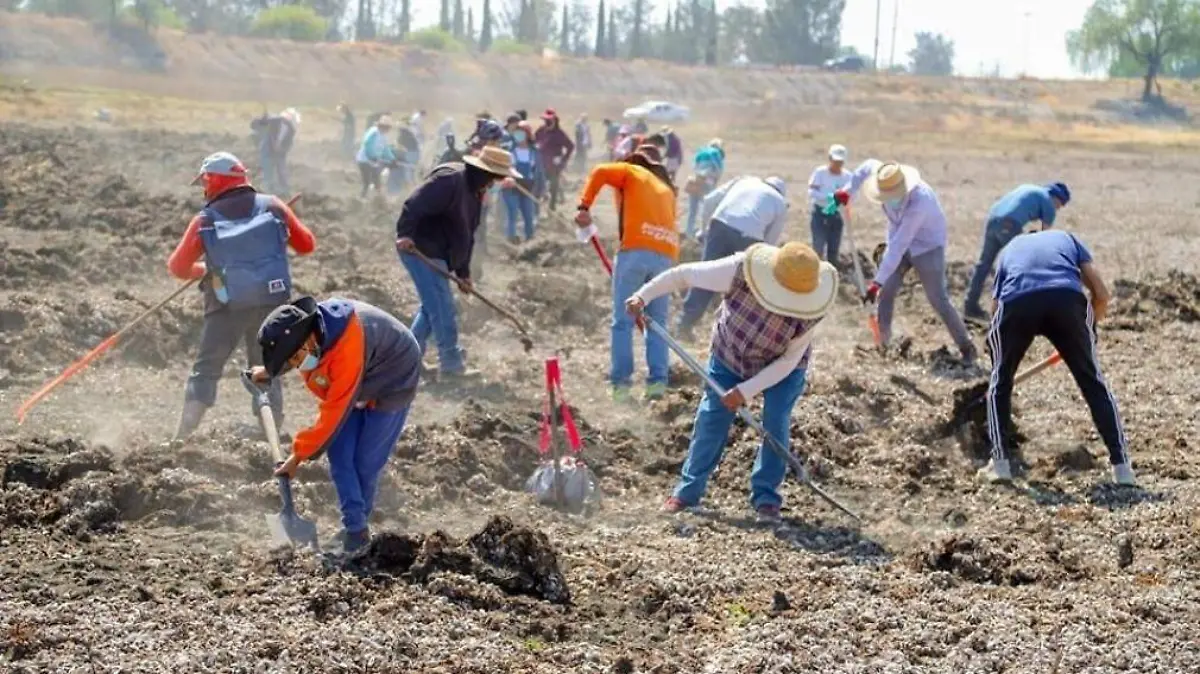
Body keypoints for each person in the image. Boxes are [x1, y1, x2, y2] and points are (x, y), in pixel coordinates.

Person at [626, 242, 837, 519]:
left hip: (782, 369)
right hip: (730, 353)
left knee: (775, 423)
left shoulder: (812, 309)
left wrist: (745, 391)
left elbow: (787, 362)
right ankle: (687, 493)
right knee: (711, 416)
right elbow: (684, 275)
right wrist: (643, 296)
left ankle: (766, 497)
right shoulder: (740, 270)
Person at [252, 295, 421, 553]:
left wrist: (298, 455)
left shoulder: (346, 345)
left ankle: (357, 532)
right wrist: (271, 370)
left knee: (365, 462)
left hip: (394, 375)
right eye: (292, 362)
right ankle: (355, 526)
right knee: (340, 455)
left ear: (310, 339)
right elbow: (297, 354)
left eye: (296, 359)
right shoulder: (311, 335)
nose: (297, 365)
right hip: (359, 375)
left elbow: (334, 412)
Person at [167, 152, 315, 440]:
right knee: (266, 368)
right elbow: (306, 245)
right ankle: (269, 438)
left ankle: (181, 437)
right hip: (272, 305)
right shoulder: (273, 206)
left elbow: (177, 267)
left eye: (204, 182)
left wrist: (204, 270)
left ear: (213, 180)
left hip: (226, 306)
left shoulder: (205, 220)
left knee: (207, 369)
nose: (203, 189)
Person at [979, 230, 1133, 486]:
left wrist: (998, 355)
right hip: (1067, 300)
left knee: (1000, 382)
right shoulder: (1067, 238)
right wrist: (1083, 332)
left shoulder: (1009, 250)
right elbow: (1102, 294)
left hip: (1017, 303)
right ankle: (1123, 470)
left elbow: (996, 310)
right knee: (1093, 383)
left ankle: (1000, 466)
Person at [395, 146, 519, 378]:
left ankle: (407, 361)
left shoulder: (475, 193)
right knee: (443, 309)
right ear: (483, 172)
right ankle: (451, 365)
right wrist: (405, 234)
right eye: (494, 178)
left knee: (431, 308)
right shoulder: (449, 180)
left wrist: (464, 273)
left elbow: (467, 236)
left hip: (439, 253)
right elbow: (414, 204)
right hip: (419, 249)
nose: (494, 184)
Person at [840, 160, 977, 364]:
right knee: (886, 293)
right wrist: (847, 190)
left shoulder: (920, 202)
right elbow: (866, 167)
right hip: (899, 241)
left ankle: (967, 347)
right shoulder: (884, 175)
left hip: (927, 247)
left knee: (937, 299)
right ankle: (884, 345)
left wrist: (876, 282)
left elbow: (899, 245)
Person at [575, 145, 678, 402]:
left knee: (623, 321)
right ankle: (657, 383)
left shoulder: (631, 171)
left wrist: (584, 206)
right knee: (657, 323)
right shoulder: (667, 189)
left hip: (635, 252)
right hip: (665, 258)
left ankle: (621, 384)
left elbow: (599, 171)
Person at [677, 176, 789, 339]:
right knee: (742, 287)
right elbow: (770, 242)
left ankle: (684, 324)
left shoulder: (744, 180)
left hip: (720, 224)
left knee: (706, 274)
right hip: (749, 236)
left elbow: (709, 200)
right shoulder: (779, 202)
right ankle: (732, 333)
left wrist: (704, 230)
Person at [963, 182, 1071, 320]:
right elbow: (1045, 238)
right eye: (1060, 205)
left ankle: (970, 305)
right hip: (1010, 224)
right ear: (1057, 198)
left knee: (984, 265)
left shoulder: (1030, 189)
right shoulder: (1049, 204)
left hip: (993, 219)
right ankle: (1013, 311)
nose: (1058, 209)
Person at [807, 144, 852, 263]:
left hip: (836, 216)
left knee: (833, 250)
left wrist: (841, 200)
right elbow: (811, 191)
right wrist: (829, 198)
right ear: (830, 158)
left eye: (840, 162)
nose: (837, 164)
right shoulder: (820, 172)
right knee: (818, 248)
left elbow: (851, 196)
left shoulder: (847, 177)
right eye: (835, 161)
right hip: (819, 214)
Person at [500, 120, 543, 244]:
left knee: (528, 215)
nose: (519, 135)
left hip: (527, 187)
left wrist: (542, 190)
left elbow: (539, 173)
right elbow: (504, 167)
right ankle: (511, 240)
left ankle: (530, 241)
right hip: (511, 187)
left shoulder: (534, 152)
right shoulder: (509, 151)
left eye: (522, 133)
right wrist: (509, 177)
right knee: (512, 213)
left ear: (528, 135)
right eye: (517, 132)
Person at [685, 139, 726, 240]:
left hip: (695, 182)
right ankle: (704, 233)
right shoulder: (716, 154)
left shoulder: (701, 153)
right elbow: (718, 171)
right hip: (707, 184)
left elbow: (695, 167)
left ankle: (689, 233)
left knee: (692, 210)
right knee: (707, 208)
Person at [535, 108, 575, 211]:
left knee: (553, 188)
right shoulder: (540, 130)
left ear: (555, 121)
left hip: (554, 167)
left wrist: (563, 159)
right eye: (545, 121)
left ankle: (552, 207)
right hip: (540, 164)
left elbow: (570, 146)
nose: (547, 123)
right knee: (538, 187)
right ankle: (536, 209)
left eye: (549, 121)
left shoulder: (559, 134)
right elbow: (533, 142)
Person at [252, 108, 299, 194]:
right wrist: (263, 119)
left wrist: (281, 150)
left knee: (282, 170)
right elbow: (255, 124)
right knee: (268, 169)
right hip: (267, 150)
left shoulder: (291, 130)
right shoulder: (274, 121)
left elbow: (288, 144)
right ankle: (269, 189)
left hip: (280, 153)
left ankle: (284, 190)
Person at [355, 114, 397, 198]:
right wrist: (372, 156)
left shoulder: (383, 136)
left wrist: (392, 159)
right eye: (387, 127)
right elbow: (367, 144)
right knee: (366, 182)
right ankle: (361, 199)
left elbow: (385, 149)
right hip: (364, 160)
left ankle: (379, 200)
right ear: (382, 126)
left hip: (373, 162)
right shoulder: (373, 132)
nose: (388, 130)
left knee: (377, 181)